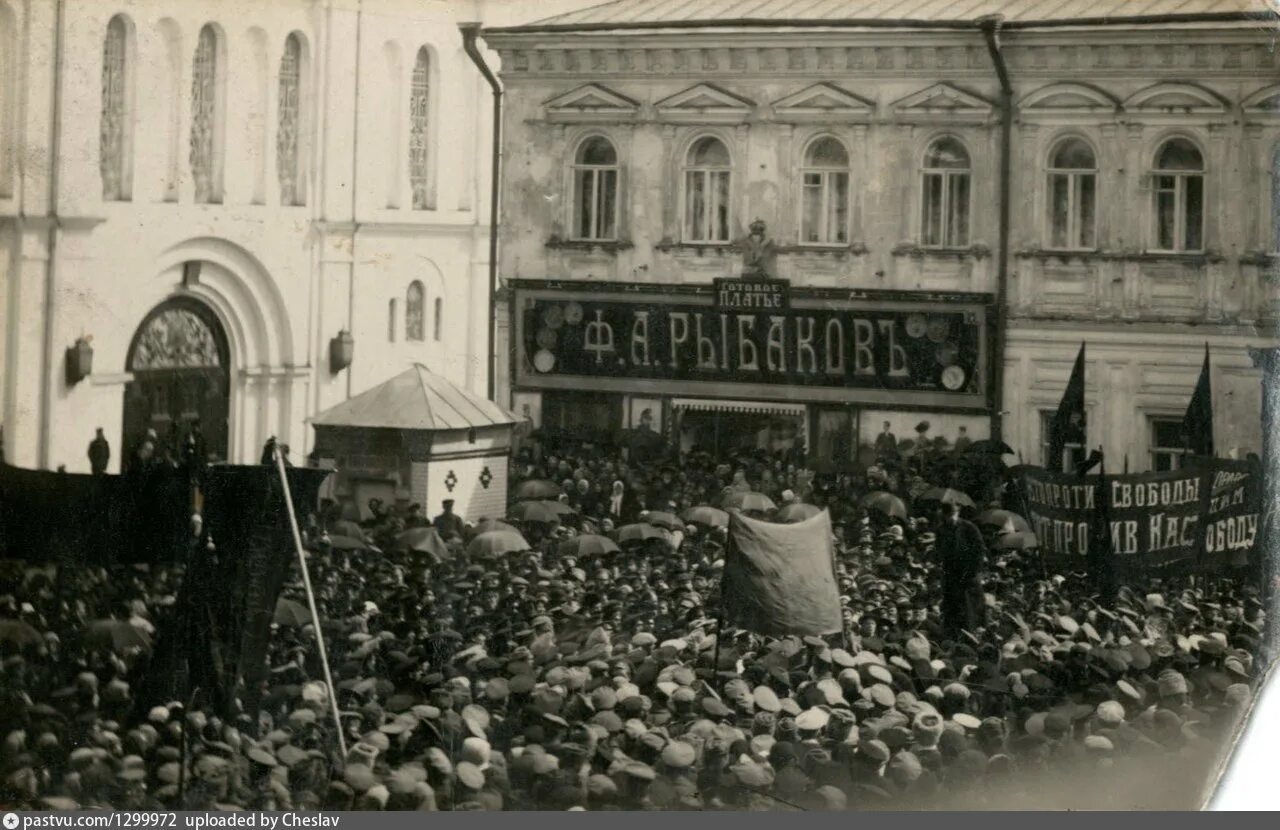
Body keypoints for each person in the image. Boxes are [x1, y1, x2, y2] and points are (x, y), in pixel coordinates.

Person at [936, 500, 987, 637]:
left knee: (971, 610)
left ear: (957, 513)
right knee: (952, 609)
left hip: (969, 576)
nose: (951, 518)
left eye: (954, 514)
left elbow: (979, 551)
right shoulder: (941, 530)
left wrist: (972, 572)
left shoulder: (969, 528)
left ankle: (973, 634)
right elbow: (940, 552)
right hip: (951, 576)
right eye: (948, 515)